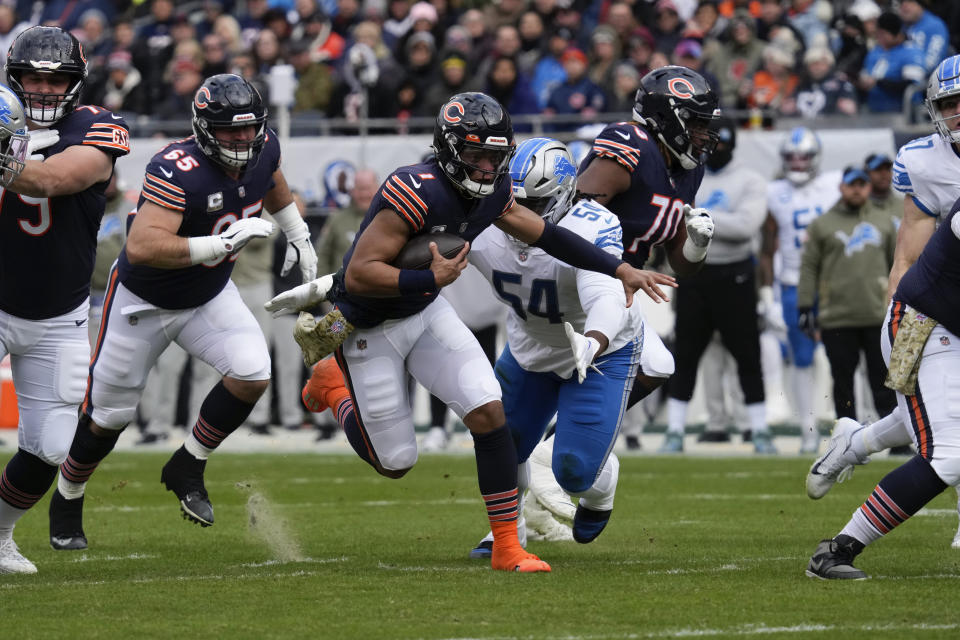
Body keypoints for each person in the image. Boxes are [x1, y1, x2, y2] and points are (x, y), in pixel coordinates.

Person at [268, 92, 678, 573]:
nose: (486, 167)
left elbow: (546, 235)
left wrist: (618, 268)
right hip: (371, 326)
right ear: (448, 148)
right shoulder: (414, 188)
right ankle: (335, 388)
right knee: (395, 461)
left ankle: (507, 546)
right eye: (476, 155)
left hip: (425, 313)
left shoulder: (496, 192)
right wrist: (426, 279)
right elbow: (359, 276)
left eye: (495, 156)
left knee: (488, 413)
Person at [46, 74, 318, 551]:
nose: (242, 139)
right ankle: (68, 493)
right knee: (109, 416)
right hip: (143, 300)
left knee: (253, 371)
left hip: (208, 294)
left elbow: (272, 178)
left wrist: (297, 230)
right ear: (204, 128)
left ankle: (188, 463)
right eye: (230, 131)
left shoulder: (262, 145)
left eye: (249, 129)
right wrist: (221, 243)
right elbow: (144, 244)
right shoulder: (178, 166)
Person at [805, 54, 960, 548]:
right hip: (930, 310)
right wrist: (900, 326)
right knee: (935, 434)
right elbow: (909, 254)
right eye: (951, 104)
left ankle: (853, 442)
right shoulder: (924, 160)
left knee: (925, 421)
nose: (959, 114)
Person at [463, 137, 642, 555]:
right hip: (529, 346)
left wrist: (594, 341)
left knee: (574, 470)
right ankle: (508, 533)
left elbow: (606, 295)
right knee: (502, 445)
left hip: (601, 351)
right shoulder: (487, 218)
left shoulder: (591, 224)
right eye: (516, 200)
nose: (522, 214)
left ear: (564, 196)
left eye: (536, 205)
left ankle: (601, 488)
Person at [0, 26, 130, 575]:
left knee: (51, 447)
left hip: (60, 315)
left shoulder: (100, 127)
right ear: (15, 80)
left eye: (57, 80)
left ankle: (0, 536)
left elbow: (55, 179)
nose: (45, 90)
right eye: (34, 78)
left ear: (76, 84)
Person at [805, 189, 960, 580]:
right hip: (922, 324)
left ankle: (855, 443)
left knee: (927, 418)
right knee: (948, 451)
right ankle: (836, 551)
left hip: (948, 326)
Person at [574, 65, 720, 415]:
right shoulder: (632, 144)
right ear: (667, 118)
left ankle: (564, 429)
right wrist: (613, 268)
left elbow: (681, 266)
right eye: (696, 123)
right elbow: (573, 218)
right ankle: (571, 426)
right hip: (587, 274)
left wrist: (698, 244)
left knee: (658, 366)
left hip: (623, 283)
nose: (703, 134)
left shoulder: (689, 169)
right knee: (647, 363)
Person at [661, 117, 775, 454]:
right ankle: (675, 430)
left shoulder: (750, 180)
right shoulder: (687, 175)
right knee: (685, 354)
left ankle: (759, 429)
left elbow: (746, 227)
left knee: (747, 354)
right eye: (714, 143)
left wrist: (698, 217)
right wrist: (700, 221)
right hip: (694, 273)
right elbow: (670, 219)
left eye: (724, 143)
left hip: (735, 274)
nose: (718, 150)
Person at [796, 166, 897, 428]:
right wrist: (805, 306)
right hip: (837, 317)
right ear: (842, 187)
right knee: (842, 381)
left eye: (862, 184)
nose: (856, 189)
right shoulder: (823, 223)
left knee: (884, 380)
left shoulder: (884, 221)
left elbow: (898, 264)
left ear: (868, 188)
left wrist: (901, 304)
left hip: (876, 314)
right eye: (852, 184)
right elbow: (809, 266)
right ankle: (846, 436)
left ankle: (895, 438)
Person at [761, 127, 841, 453]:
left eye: (803, 157)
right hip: (794, 283)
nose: (796, 163)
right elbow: (767, 248)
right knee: (801, 358)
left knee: (849, 353)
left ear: (815, 158)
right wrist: (769, 297)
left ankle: (855, 422)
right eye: (790, 157)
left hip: (835, 282)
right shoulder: (773, 192)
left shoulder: (835, 185)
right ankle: (808, 430)